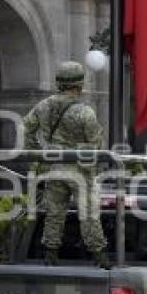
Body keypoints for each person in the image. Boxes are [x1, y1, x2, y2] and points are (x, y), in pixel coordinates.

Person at [23, 61, 108, 267]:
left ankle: (50, 255)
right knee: (88, 213)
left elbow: (27, 128)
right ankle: (99, 257)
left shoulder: (43, 106)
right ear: (79, 84)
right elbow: (96, 142)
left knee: (54, 213)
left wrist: (37, 155)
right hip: (79, 171)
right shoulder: (84, 112)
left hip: (53, 168)